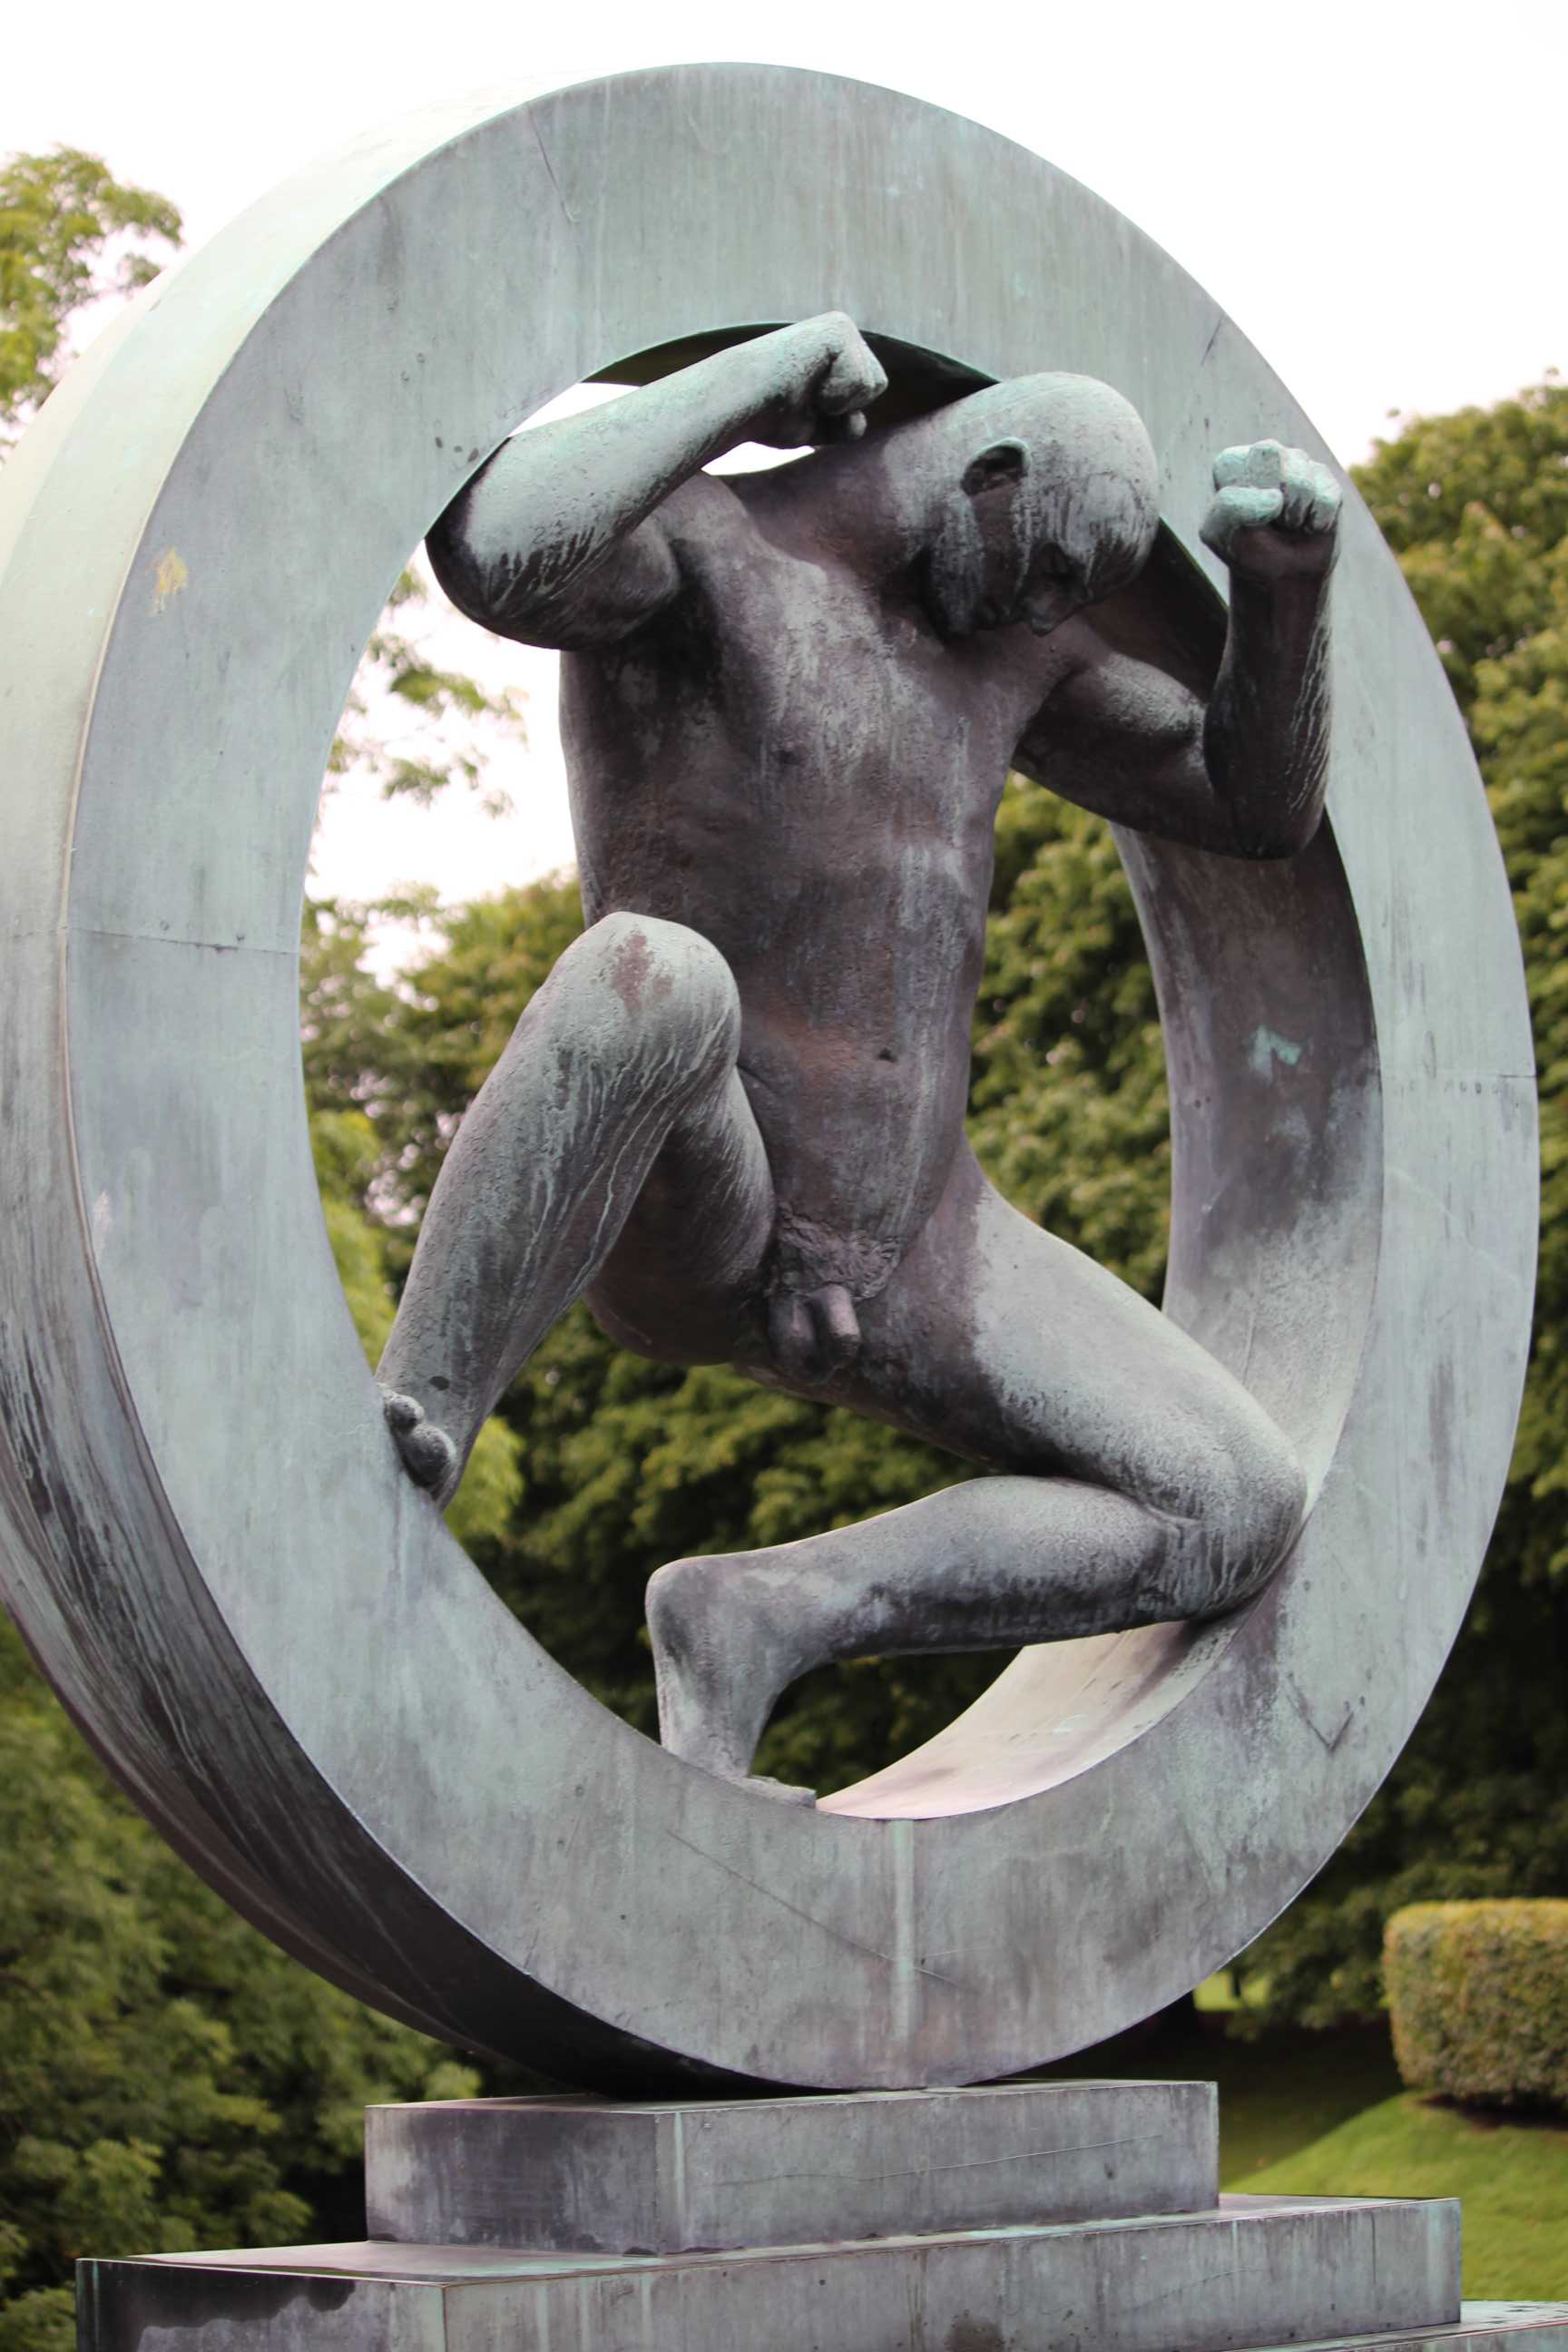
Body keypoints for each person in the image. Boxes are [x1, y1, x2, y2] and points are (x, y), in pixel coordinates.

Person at [377, 313, 1340, 1792]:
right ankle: (417, 1421)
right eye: (1043, 571)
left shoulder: (1013, 658)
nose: (1047, 613)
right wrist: (757, 378)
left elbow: (1254, 808)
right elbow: (495, 549)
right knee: (651, 978)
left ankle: (767, 1614)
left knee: (1234, 1502)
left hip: (917, 1233)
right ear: (987, 473)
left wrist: (1284, 597)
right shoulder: (705, 548)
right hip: (706, 1180)